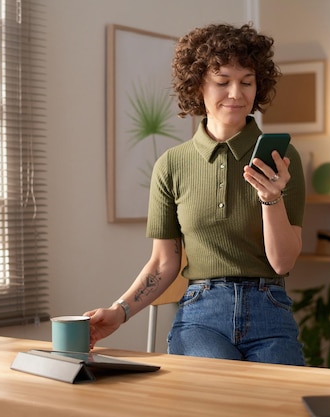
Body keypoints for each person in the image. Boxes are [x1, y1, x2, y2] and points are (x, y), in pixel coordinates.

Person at [84, 23, 306, 366]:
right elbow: (163, 262)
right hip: (202, 315)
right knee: (212, 399)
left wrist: (270, 198)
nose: (236, 93)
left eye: (247, 81)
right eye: (222, 82)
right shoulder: (171, 165)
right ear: (197, 85)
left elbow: (283, 262)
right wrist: (120, 311)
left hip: (270, 311)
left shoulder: (282, 158)